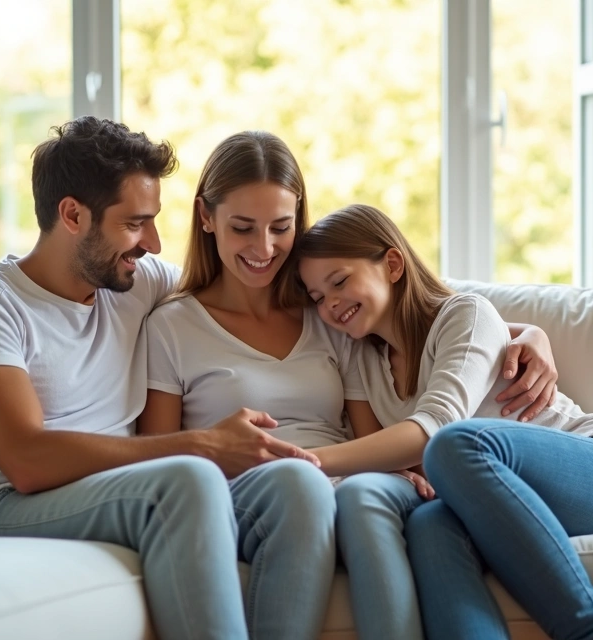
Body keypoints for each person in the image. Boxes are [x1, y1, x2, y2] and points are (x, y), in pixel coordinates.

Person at [140, 131, 562, 640]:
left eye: (281, 227)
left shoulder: (325, 314)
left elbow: (413, 330)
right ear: (206, 218)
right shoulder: (171, 326)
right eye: (243, 228)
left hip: (348, 478)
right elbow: (160, 459)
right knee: (300, 484)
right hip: (251, 489)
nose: (264, 248)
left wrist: (526, 332)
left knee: (369, 496)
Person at [0, 116, 328, 640]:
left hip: (123, 494)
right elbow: (25, 460)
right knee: (189, 477)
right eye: (136, 223)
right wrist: (203, 444)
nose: (155, 243)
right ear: (72, 214)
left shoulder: (136, 284)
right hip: (4, 505)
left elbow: (235, 290)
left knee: (299, 485)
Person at [296, 204, 593, 640]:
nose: (331, 303)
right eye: (317, 297)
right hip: (492, 498)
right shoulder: (362, 358)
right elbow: (379, 455)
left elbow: (433, 429)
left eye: (339, 281)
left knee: (454, 444)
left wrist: (300, 460)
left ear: (392, 264)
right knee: (428, 525)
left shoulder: (464, 315)